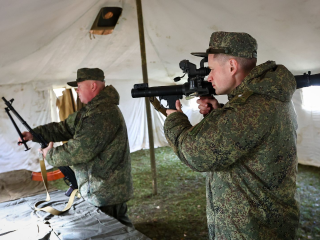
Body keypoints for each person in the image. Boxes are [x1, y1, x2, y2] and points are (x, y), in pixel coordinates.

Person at [164, 32, 300, 239]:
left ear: (232, 66)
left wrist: (174, 118)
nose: (208, 77)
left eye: (211, 69)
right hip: (265, 223)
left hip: (251, 229)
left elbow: (194, 153)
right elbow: (248, 131)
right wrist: (220, 112)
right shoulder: (267, 97)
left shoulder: (250, 107)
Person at [19, 68, 134, 228]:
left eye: (80, 85)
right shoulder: (91, 111)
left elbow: (79, 150)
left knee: (116, 231)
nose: (77, 90)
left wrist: (50, 155)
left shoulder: (102, 113)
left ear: (93, 86)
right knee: (114, 230)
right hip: (101, 188)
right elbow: (64, 128)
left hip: (107, 191)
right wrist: (35, 134)